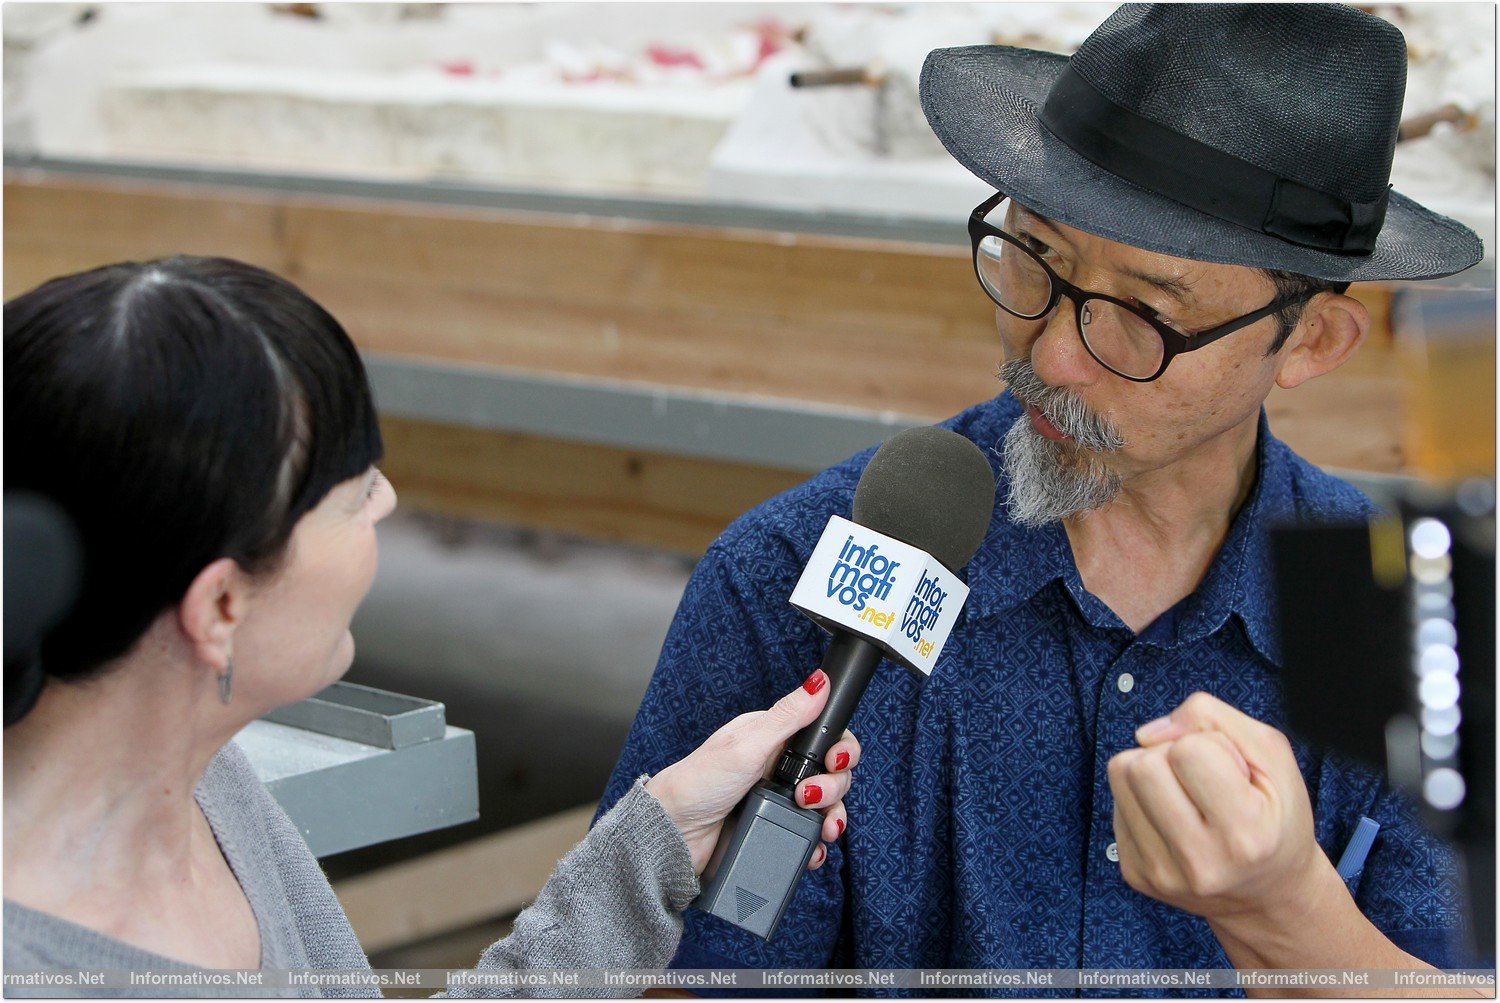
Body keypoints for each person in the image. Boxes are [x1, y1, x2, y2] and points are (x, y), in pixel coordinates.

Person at [596, 3, 1485, 993]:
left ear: (1313, 342)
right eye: (1038, 257)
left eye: (1147, 314)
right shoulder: (797, 576)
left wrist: (1287, 913)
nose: (1054, 357)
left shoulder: (1410, 621)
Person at [1, 255, 861, 997]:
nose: (388, 501)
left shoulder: (202, 785)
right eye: (352, 494)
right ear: (220, 606)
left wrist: (657, 844)